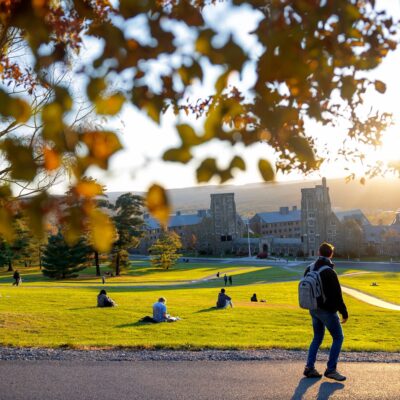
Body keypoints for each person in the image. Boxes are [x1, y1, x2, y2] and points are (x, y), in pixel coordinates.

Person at [303, 242, 348, 382]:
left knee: (317, 337)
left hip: (313, 309)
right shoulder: (329, 271)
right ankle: (331, 369)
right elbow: (337, 295)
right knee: (338, 337)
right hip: (327, 311)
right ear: (331, 254)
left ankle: (309, 367)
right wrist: (344, 313)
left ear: (318, 252)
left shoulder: (309, 268)